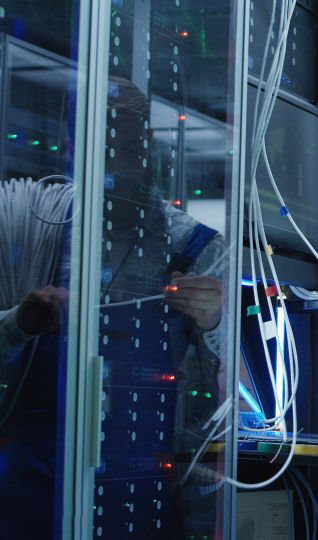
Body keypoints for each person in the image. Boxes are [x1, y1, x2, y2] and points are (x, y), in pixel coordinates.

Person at [0, 76, 227, 538]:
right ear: (73, 147)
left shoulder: (195, 247)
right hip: (27, 484)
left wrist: (213, 322)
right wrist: (20, 322)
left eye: (130, 147)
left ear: (150, 146)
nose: (119, 166)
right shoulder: (31, 224)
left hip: (145, 483)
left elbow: (228, 394)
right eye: (104, 148)